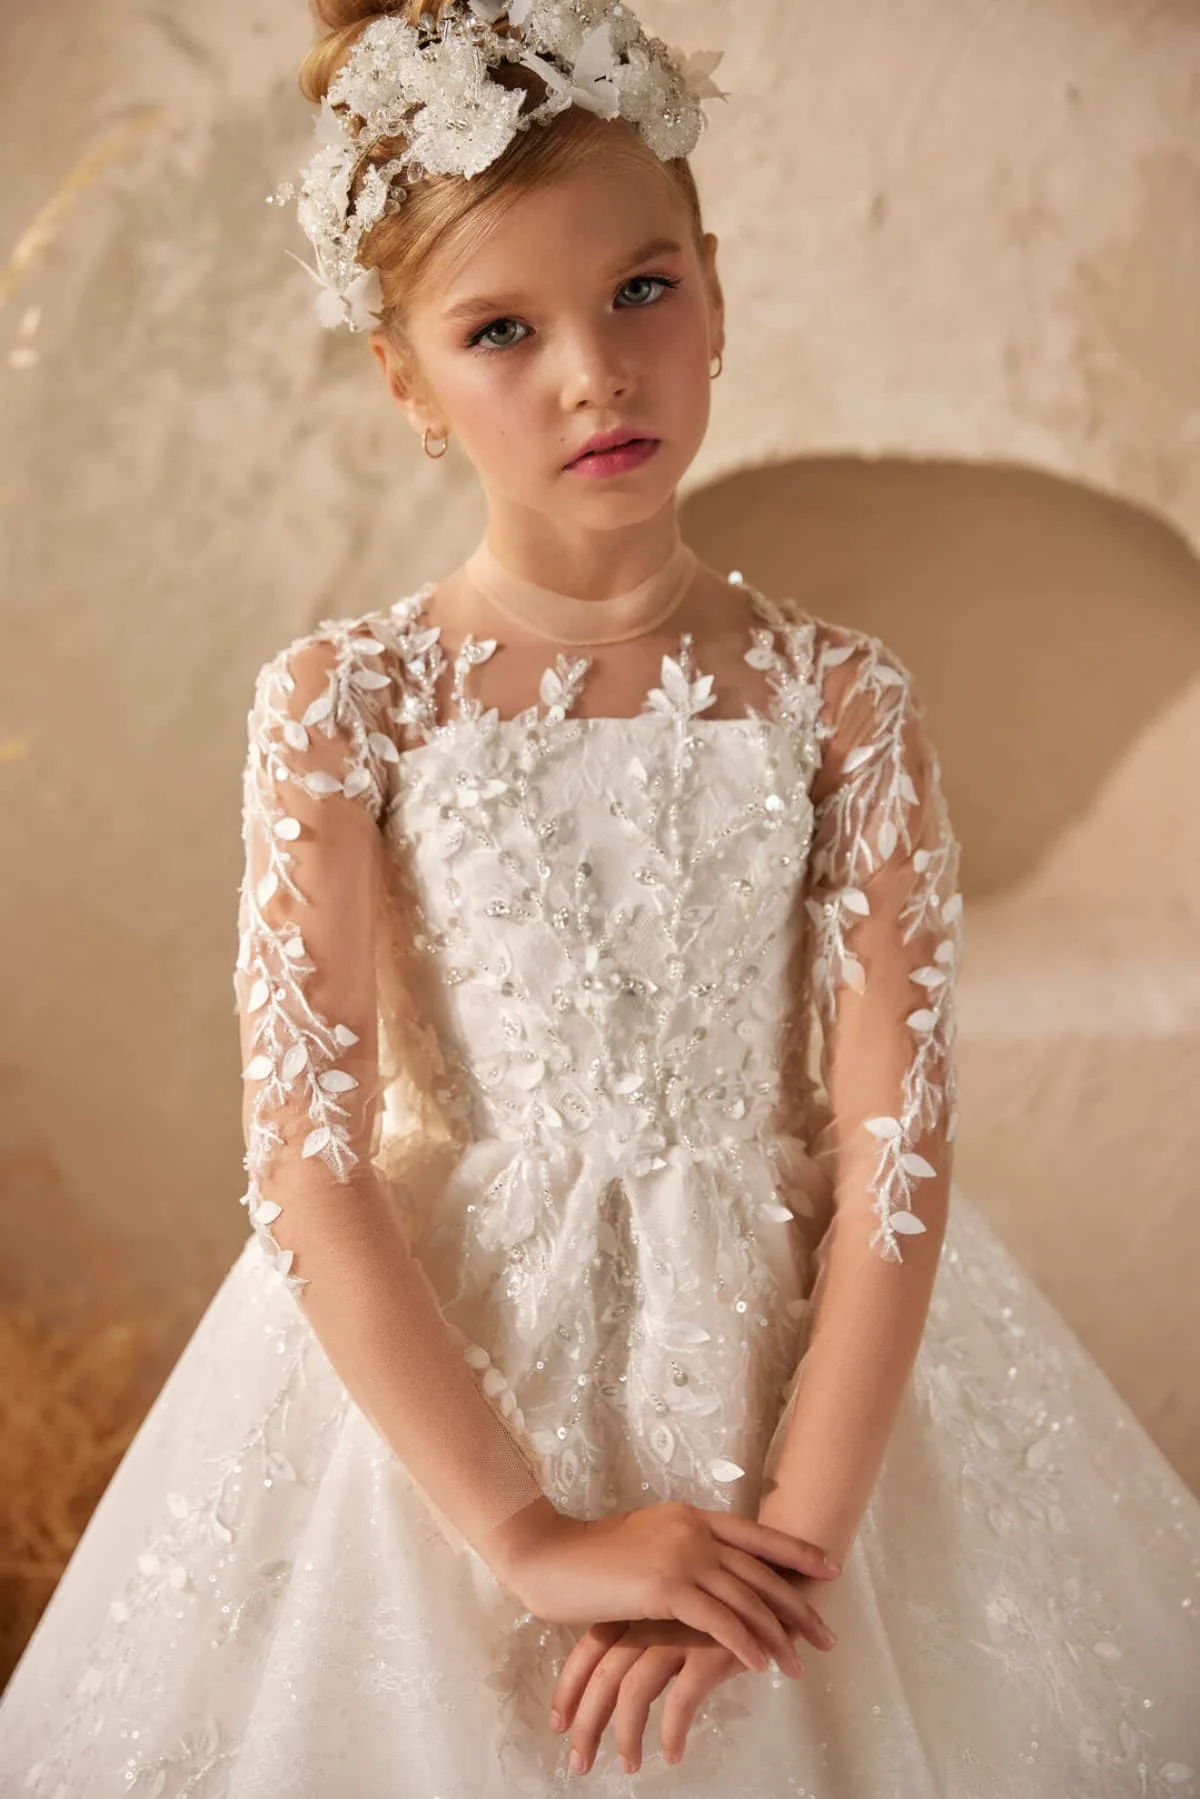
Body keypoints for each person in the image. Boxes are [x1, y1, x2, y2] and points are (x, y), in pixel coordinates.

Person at [2, 1, 1197, 1792]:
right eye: (502, 330)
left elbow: (897, 1150)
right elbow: (308, 1163)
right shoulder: (348, 706)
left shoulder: (843, 701)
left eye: (642, 290)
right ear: (407, 382)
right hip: (456, 1390)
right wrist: (536, 1535)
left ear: (713, 286)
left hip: (807, 1393)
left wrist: (785, 1547)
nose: (595, 373)